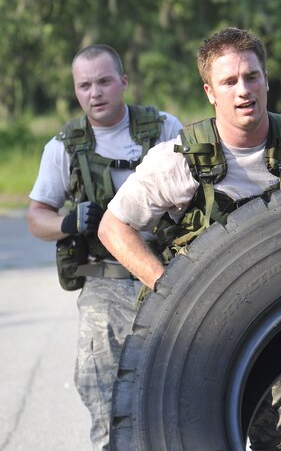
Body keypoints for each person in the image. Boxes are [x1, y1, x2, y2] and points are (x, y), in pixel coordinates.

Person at [98, 27, 281, 451]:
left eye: (252, 77)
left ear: (266, 80)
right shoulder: (176, 162)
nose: (243, 90)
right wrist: (170, 290)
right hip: (200, 342)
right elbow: (113, 227)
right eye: (229, 82)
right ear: (210, 91)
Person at [27, 44, 182, 451]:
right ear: (76, 91)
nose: (95, 92)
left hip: (164, 274)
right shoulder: (64, 147)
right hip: (105, 284)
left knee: (177, 387)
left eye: (104, 81)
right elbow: (35, 217)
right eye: (84, 85)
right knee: (103, 395)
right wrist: (67, 222)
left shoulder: (165, 129)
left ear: (123, 83)